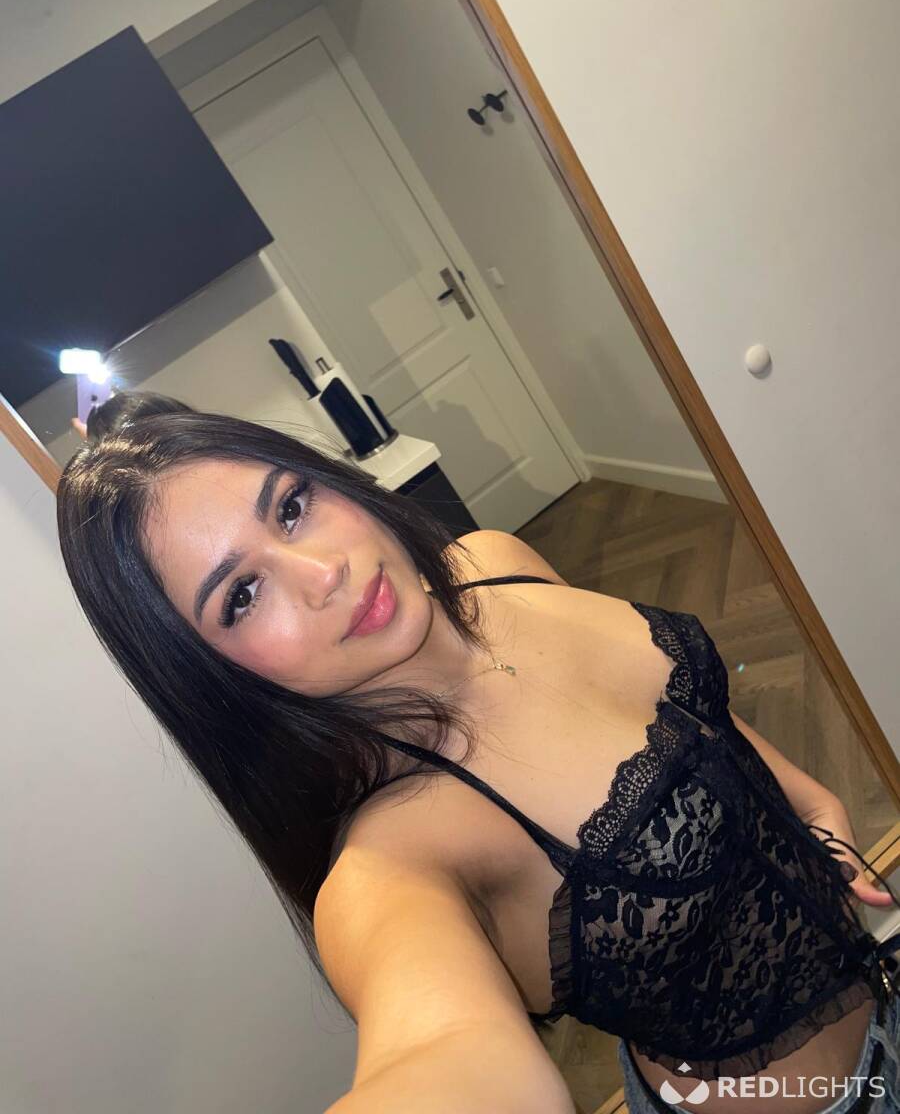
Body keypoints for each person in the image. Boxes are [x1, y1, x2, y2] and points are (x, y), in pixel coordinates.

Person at [56, 391, 900, 1114]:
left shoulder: (494, 560)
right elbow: (443, 1055)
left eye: (291, 506)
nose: (322, 572)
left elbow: (689, 715)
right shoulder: (395, 862)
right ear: (215, 677)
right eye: (241, 594)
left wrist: (812, 803)